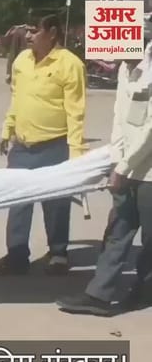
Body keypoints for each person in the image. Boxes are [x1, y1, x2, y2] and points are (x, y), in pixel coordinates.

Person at [0, 14, 87, 276]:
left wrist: (76, 153)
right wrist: (7, 130)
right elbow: (17, 98)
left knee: (55, 202)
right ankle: (17, 255)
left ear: (52, 33)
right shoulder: (22, 61)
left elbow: (76, 112)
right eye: (27, 30)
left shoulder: (70, 64)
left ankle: (58, 253)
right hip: (22, 146)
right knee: (18, 201)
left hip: (55, 146)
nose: (28, 36)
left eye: (33, 31)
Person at [57, 37, 152, 317]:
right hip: (128, 169)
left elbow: (150, 130)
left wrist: (124, 167)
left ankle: (144, 290)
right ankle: (98, 295)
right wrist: (115, 160)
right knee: (116, 232)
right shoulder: (124, 68)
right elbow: (120, 118)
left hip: (148, 174)